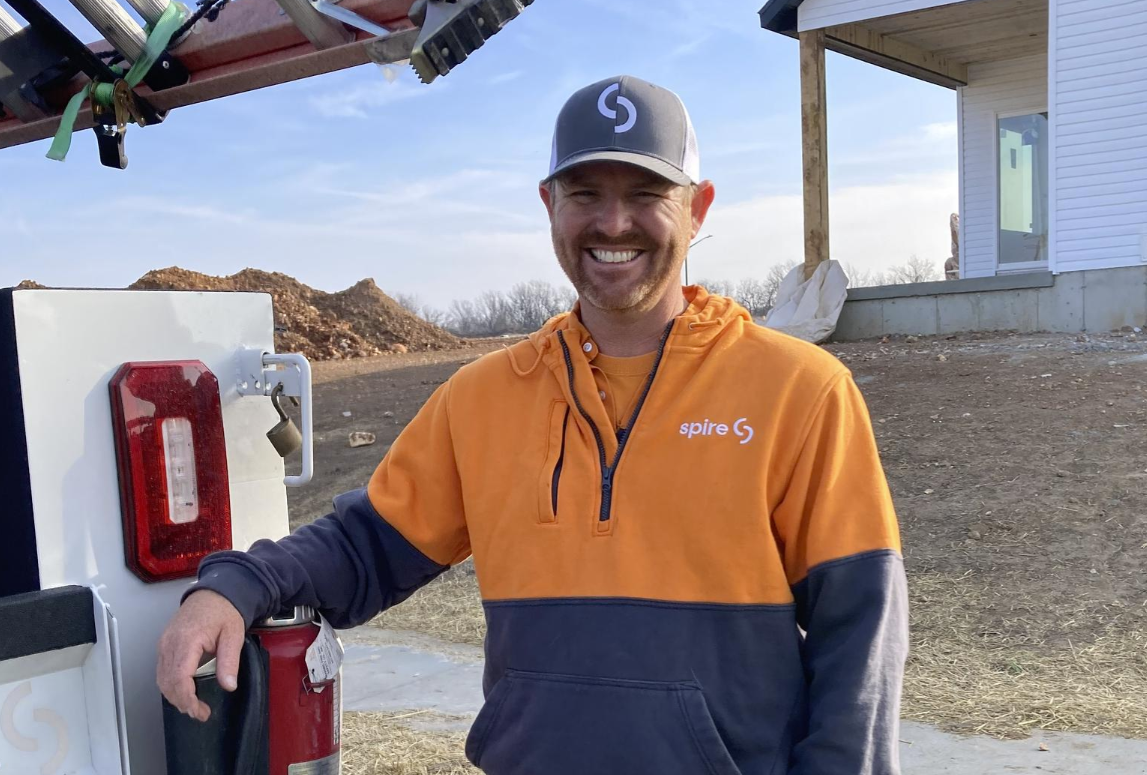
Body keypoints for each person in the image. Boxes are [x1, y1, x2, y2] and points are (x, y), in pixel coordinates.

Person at [158, 75, 908, 775]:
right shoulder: (481, 399)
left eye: (646, 193)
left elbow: (859, 634)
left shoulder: (799, 390)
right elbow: (364, 549)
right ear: (549, 203)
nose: (613, 222)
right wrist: (234, 586)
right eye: (586, 193)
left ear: (698, 207)